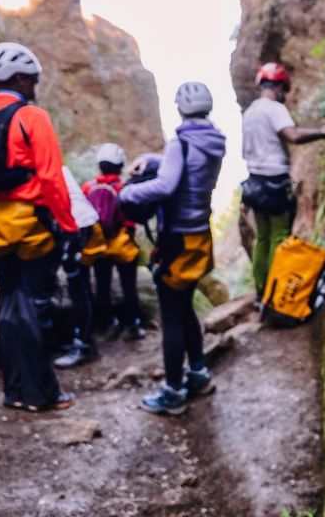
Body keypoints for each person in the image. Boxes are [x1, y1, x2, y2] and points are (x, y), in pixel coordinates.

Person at [0, 41, 77, 412]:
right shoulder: (32, 117)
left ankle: (13, 390)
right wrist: (69, 225)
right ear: (21, 78)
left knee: (8, 305)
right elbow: (50, 178)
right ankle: (43, 393)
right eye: (34, 80)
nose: (36, 86)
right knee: (37, 306)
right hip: (32, 228)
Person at [120, 81, 225, 416]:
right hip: (199, 237)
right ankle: (198, 373)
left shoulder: (180, 141)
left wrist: (126, 196)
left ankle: (173, 391)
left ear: (180, 108)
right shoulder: (214, 140)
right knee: (185, 306)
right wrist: (154, 158)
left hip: (176, 240)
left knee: (171, 316)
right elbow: (186, 169)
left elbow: (166, 184)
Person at [240, 62, 325, 300]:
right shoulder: (274, 108)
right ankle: (276, 292)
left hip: (254, 182)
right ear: (280, 86)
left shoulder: (250, 111)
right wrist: (323, 131)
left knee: (262, 237)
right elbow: (292, 135)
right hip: (275, 182)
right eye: (285, 90)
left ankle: (262, 290)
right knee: (279, 236)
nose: (285, 95)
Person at [83, 144, 145, 341]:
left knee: (102, 285)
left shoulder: (88, 187)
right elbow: (130, 218)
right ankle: (132, 325)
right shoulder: (123, 188)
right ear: (120, 166)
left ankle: (107, 323)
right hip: (123, 245)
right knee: (129, 286)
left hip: (99, 244)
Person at [52, 166, 105, 369]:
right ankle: (80, 339)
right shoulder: (57, 165)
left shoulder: (45, 167)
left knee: (77, 287)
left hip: (76, 224)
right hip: (80, 223)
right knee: (79, 285)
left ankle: (84, 345)